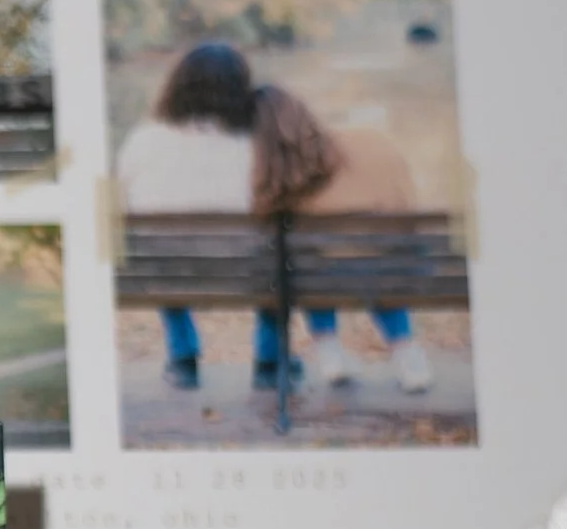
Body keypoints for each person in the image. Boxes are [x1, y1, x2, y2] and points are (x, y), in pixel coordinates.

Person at [255, 81, 435, 397]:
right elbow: (408, 204)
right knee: (378, 256)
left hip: (322, 278)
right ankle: (407, 355)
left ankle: (328, 350)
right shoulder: (371, 139)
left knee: (308, 261)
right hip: (395, 269)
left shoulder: (278, 177)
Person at [114, 41, 256, 388]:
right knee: (275, 251)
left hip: (166, 269)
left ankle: (183, 357)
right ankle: (271, 359)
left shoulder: (142, 139)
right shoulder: (256, 141)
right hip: (243, 269)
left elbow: (116, 204)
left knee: (160, 249)